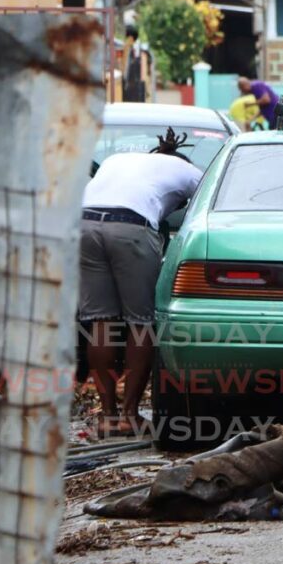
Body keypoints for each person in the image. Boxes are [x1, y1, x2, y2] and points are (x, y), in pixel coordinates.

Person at [80, 128, 203, 436]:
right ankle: (130, 415)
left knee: (101, 321)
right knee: (141, 322)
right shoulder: (190, 171)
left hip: (84, 223)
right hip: (131, 227)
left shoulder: (117, 159)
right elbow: (208, 206)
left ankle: (107, 416)